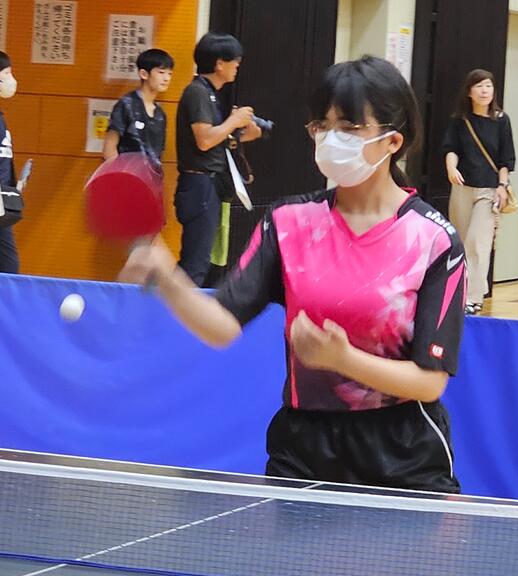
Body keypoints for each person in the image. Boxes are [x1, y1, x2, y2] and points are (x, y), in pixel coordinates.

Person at [120, 56, 466, 494]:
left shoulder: (433, 239)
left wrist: (344, 361)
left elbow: (430, 382)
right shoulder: (289, 223)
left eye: (349, 127)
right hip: (304, 449)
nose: (330, 138)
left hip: (402, 454)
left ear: (392, 140)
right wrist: (166, 278)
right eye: (322, 125)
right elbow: (222, 325)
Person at [175, 32, 261, 288]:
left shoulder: (210, 94)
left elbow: (216, 139)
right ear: (219, 63)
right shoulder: (197, 92)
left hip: (210, 185)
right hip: (200, 185)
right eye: (235, 61)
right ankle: (173, 309)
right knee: (195, 263)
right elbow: (204, 140)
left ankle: (175, 306)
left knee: (203, 261)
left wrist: (243, 131)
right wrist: (233, 121)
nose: (237, 66)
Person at [442, 69, 516, 314]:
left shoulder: (502, 120)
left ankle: (473, 298)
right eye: (479, 86)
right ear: (469, 92)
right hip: (462, 188)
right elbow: (451, 148)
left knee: (478, 242)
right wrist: (451, 168)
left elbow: (506, 159)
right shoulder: (460, 120)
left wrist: (503, 186)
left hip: (489, 190)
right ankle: (461, 292)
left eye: (488, 86)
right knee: (461, 242)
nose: (484, 91)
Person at [103, 49, 174, 168]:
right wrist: (119, 174)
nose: (166, 78)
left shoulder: (160, 114)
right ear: (144, 74)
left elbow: (158, 154)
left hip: (151, 177)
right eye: (161, 72)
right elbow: (109, 148)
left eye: (170, 74)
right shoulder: (127, 104)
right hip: (126, 174)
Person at [0, 51, 19, 274]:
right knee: (9, 266)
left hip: (2, 202)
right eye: (6, 73)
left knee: (9, 267)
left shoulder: (1, 118)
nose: (11, 79)